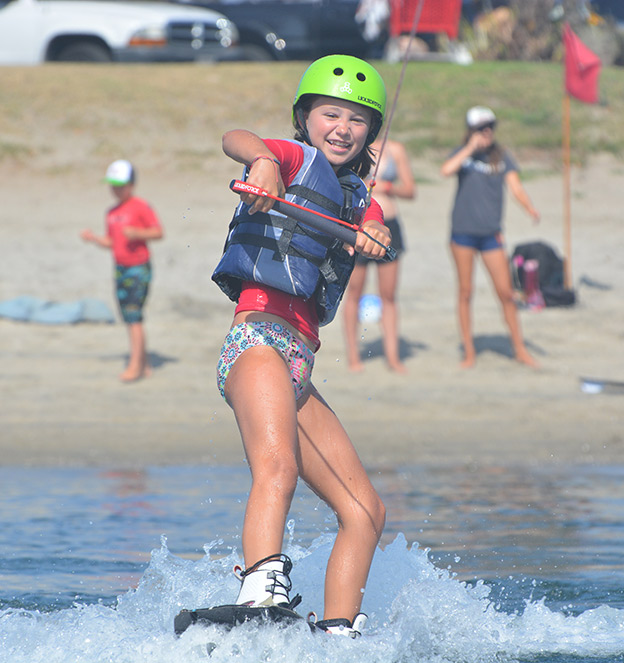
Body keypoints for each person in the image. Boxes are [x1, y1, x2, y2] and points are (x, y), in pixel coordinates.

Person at [210, 55, 391, 638]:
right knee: (278, 467)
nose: (343, 128)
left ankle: (339, 633)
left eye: (358, 120)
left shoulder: (359, 198)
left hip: (298, 366)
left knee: (365, 511)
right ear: (304, 118)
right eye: (330, 114)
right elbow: (235, 138)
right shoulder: (291, 159)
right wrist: (263, 162)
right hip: (257, 341)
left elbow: (376, 223)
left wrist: (376, 231)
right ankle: (260, 589)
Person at [440, 106, 540, 368]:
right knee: (465, 291)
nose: (487, 133)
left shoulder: (502, 156)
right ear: (471, 131)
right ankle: (469, 351)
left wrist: (529, 207)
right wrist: (469, 149)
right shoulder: (463, 155)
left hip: (490, 234)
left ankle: (519, 349)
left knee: (506, 292)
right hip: (462, 233)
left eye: (490, 128)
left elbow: (515, 186)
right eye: (481, 129)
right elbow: (446, 170)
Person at [80, 160, 164, 382]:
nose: (116, 190)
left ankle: (135, 366)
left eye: (120, 185)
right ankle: (144, 363)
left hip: (138, 268)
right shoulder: (111, 212)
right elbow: (111, 241)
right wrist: (94, 238)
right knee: (129, 316)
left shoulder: (140, 206)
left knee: (133, 317)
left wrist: (137, 233)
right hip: (120, 268)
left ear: (131, 185)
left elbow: (158, 232)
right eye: (113, 185)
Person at [342, 137, 415, 373]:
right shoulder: (352, 144)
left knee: (389, 295)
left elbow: (410, 190)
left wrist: (388, 187)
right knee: (354, 292)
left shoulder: (395, 149)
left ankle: (392, 357)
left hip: (389, 224)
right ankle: (353, 355)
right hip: (360, 224)